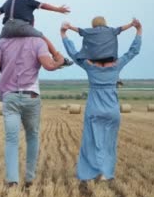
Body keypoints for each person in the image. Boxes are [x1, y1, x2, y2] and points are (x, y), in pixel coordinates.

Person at [61, 19, 143, 181]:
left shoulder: (89, 66)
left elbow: (73, 53)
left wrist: (64, 34)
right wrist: (138, 30)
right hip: (112, 111)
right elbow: (133, 51)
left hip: (94, 109)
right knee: (109, 144)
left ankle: (89, 174)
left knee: (90, 143)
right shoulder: (117, 65)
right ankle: (106, 174)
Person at [0, 35, 65, 187]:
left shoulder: (3, 42)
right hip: (31, 96)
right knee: (32, 136)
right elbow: (49, 65)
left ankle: (12, 181)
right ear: (31, 22)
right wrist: (59, 60)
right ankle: (29, 178)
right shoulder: (38, 41)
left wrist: (4, 66)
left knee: (11, 140)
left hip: (10, 96)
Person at [0, 0, 73, 68]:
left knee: (1, 43)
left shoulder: (9, 1)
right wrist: (57, 9)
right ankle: (57, 57)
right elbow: (43, 5)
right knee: (42, 37)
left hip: (6, 28)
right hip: (22, 26)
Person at [63, 16, 135, 64]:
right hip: (110, 58)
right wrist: (131, 24)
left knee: (84, 60)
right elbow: (121, 29)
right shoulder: (111, 31)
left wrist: (69, 27)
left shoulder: (89, 31)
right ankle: (117, 78)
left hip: (94, 59)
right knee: (114, 67)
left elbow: (79, 30)